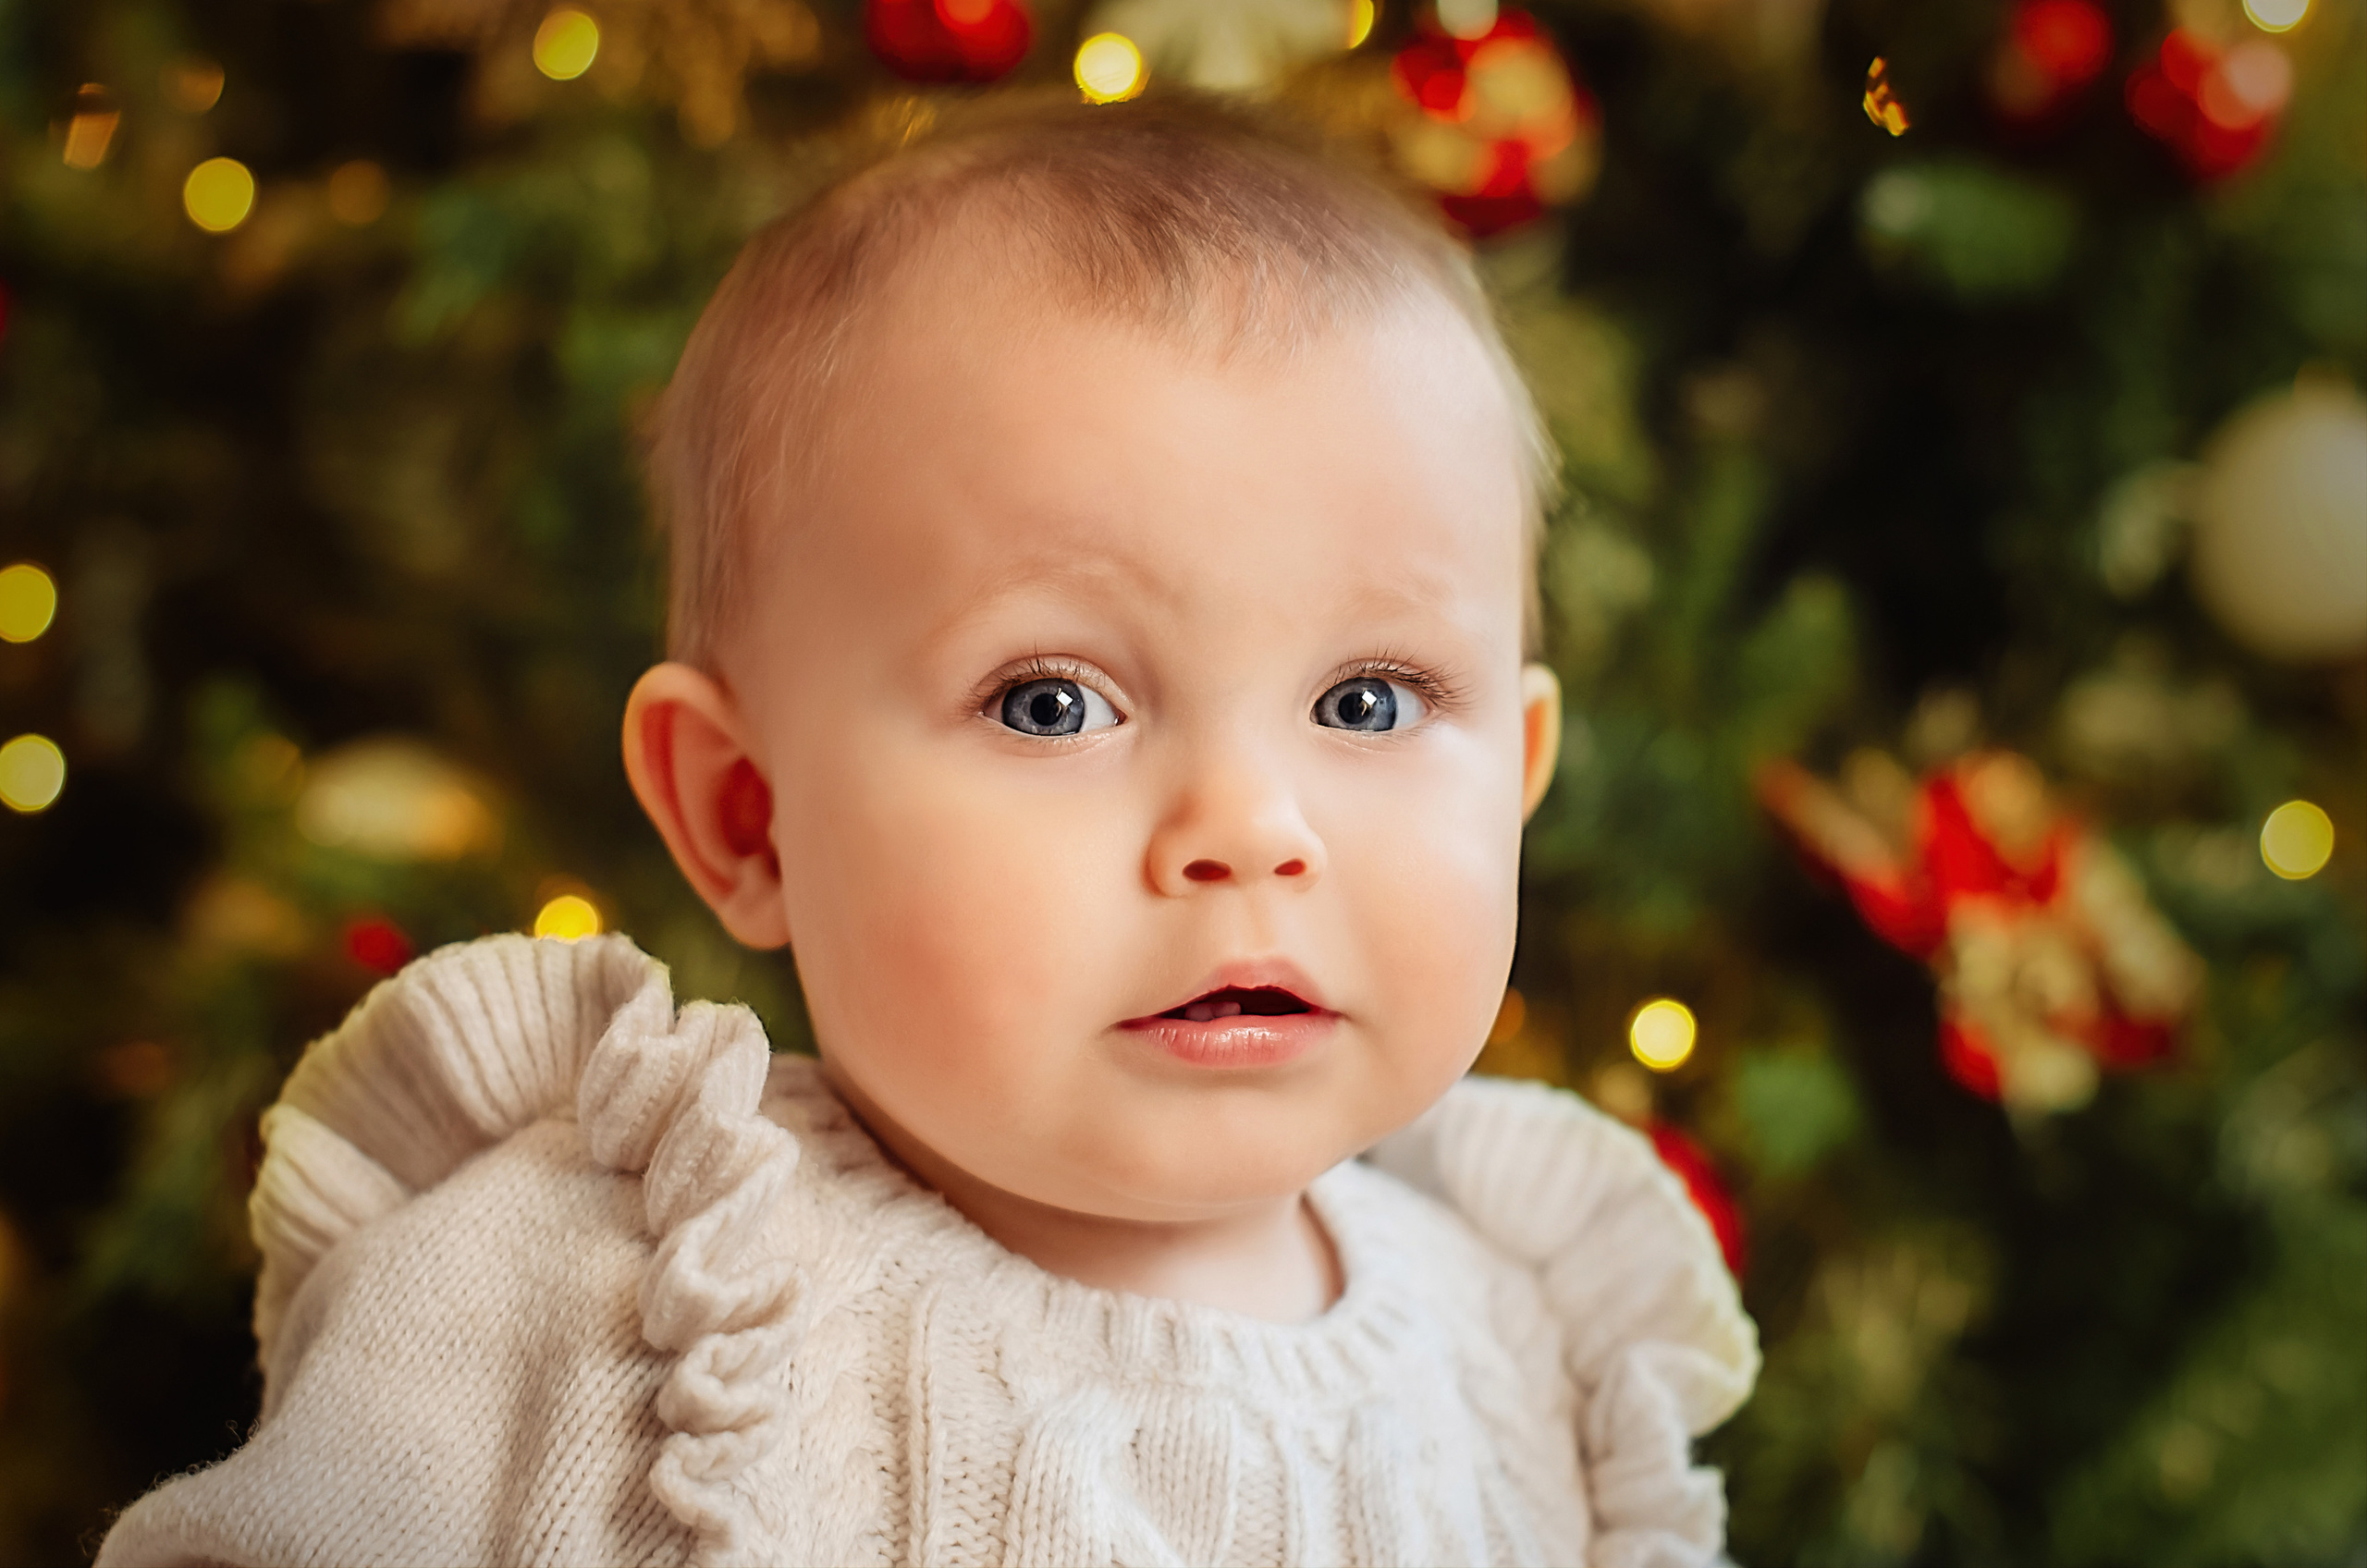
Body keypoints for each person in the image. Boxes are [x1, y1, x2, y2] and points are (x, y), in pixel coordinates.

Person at [97, 92, 1756, 1568]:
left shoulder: (1532, 1352)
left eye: (1372, 701)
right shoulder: (602, 1310)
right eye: (1052, 702)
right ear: (746, 813)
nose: (1249, 832)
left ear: (1521, 769)